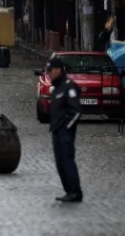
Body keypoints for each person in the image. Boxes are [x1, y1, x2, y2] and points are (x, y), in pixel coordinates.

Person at [45, 57, 83, 203]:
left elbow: (77, 111)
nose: (48, 74)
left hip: (65, 132)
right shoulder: (56, 87)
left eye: (50, 71)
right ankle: (68, 191)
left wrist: (67, 128)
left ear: (58, 70)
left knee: (67, 161)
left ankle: (75, 191)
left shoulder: (69, 86)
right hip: (56, 130)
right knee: (59, 163)